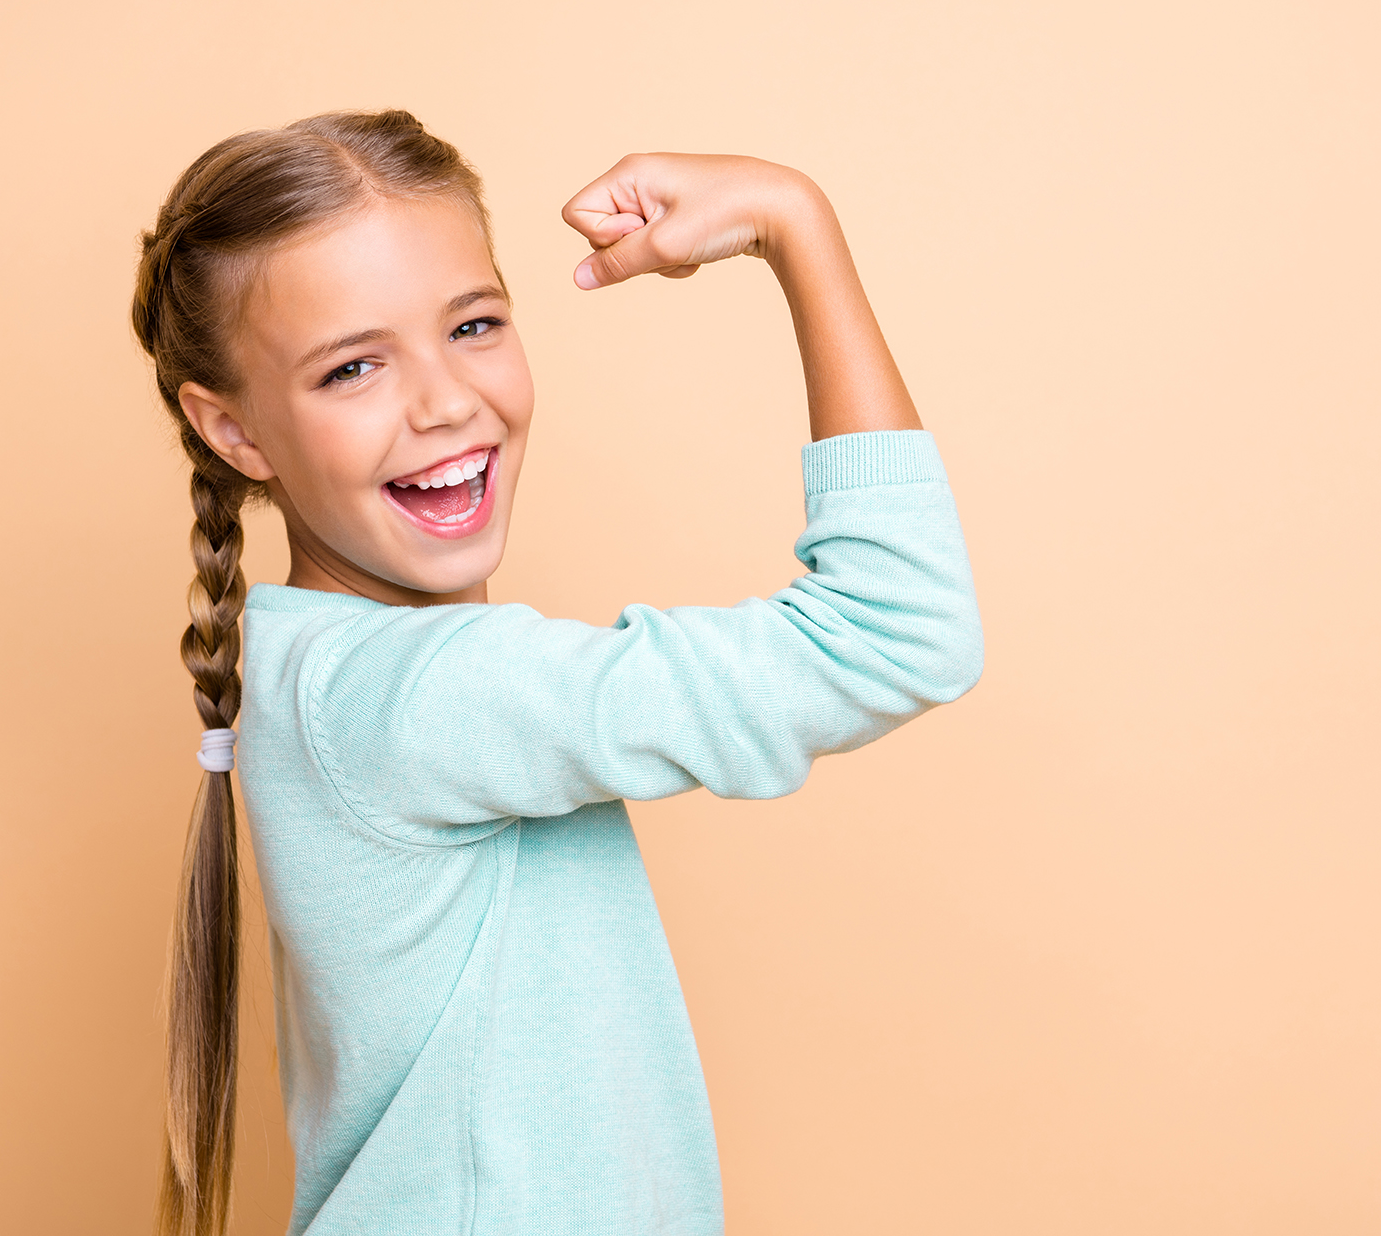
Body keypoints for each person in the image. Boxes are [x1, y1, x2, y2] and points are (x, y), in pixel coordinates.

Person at [131, 108, 983, 1236]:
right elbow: (897, 628)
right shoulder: (427, 695)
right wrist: (797, 223)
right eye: (351, 367)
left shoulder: (315, 674)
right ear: (233, 431)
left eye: (474, 323)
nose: (443, 400)